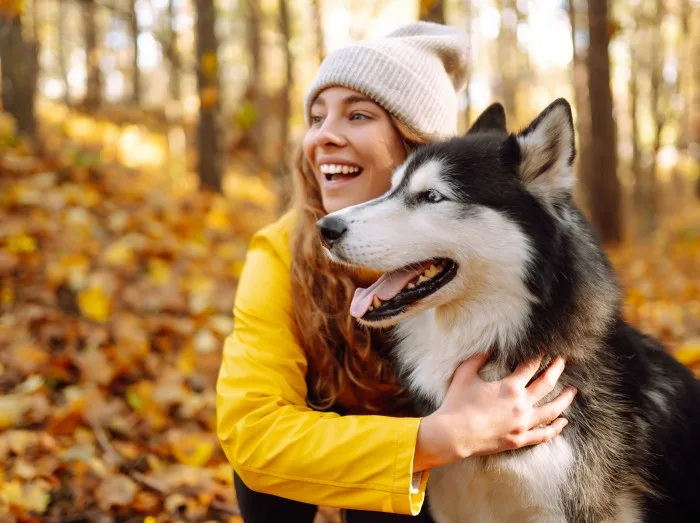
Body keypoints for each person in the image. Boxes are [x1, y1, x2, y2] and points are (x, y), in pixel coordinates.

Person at [216, 21, 577, 523]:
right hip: (391, 457)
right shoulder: (281, 253)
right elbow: (252, 433)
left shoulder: (478, 254)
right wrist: (438, 437)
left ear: (417, 145)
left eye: (357, 114)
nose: (324, 136)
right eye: (317, 117)